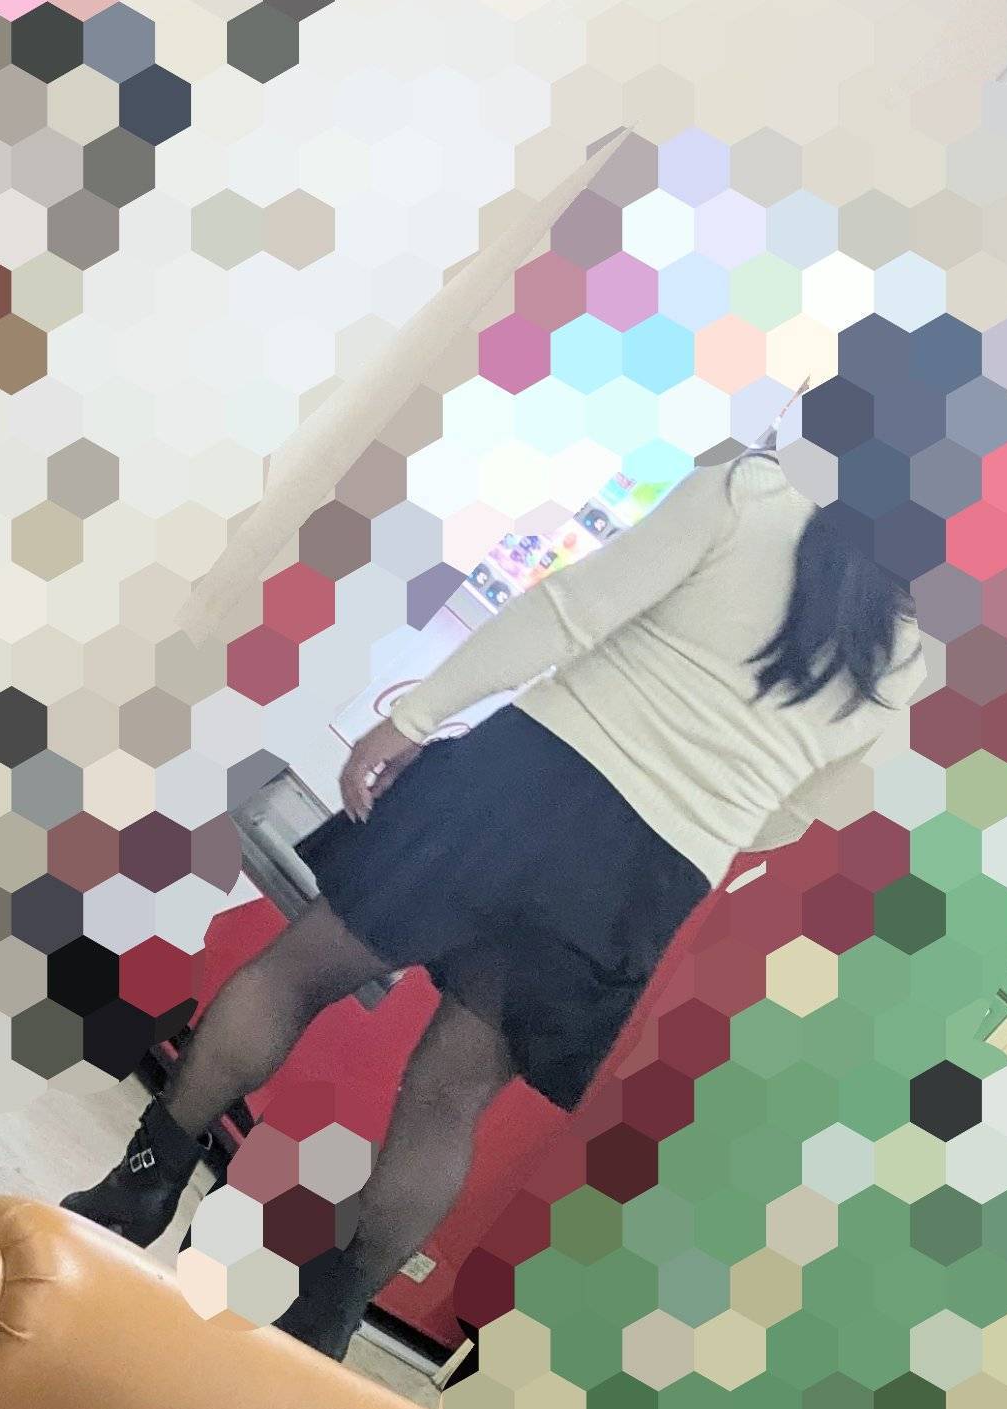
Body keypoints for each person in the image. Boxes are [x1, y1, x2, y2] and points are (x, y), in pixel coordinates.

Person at [63, 443, 925, 1359]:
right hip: (648, 877)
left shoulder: (748, 497)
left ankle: (141, 1183)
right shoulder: (907, 660)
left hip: (528, 782)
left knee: (297, 973)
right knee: (450, 1097)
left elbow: (568, 611)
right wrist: (692, 809)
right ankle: (322, 1323)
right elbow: (794, 815)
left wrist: (415, 714)